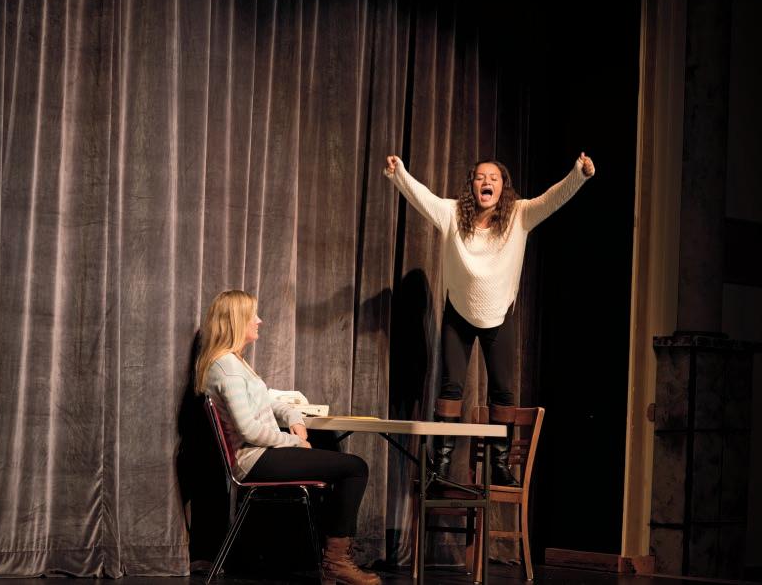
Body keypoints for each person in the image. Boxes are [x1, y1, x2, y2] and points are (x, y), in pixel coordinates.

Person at [383, 153, 596, 486]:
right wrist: (400, 174)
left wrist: (578, 174)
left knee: (503, 392)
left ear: (502, 187)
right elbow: (423, 198)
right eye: (481, 177)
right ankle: (441, 466)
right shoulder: (452, 214)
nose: (487, 182)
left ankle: (500, 464)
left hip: (499, 314)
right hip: (458, 313)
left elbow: (552, 199)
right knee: (450, 387)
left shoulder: (519, 215)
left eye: (494, 178)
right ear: (472, 185)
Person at [195, 290, 381, 585]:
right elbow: (248, 430)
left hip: (262, 454)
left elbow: (267, 400)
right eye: (253, 315)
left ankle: (332, 558)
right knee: (355, 467)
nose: (259, 320)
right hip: (255, 460)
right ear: (237, 320)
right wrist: (294, 442)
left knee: (337, 457)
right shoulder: (227, 368)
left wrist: (293, 417)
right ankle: (336, 562)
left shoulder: (234, 363)